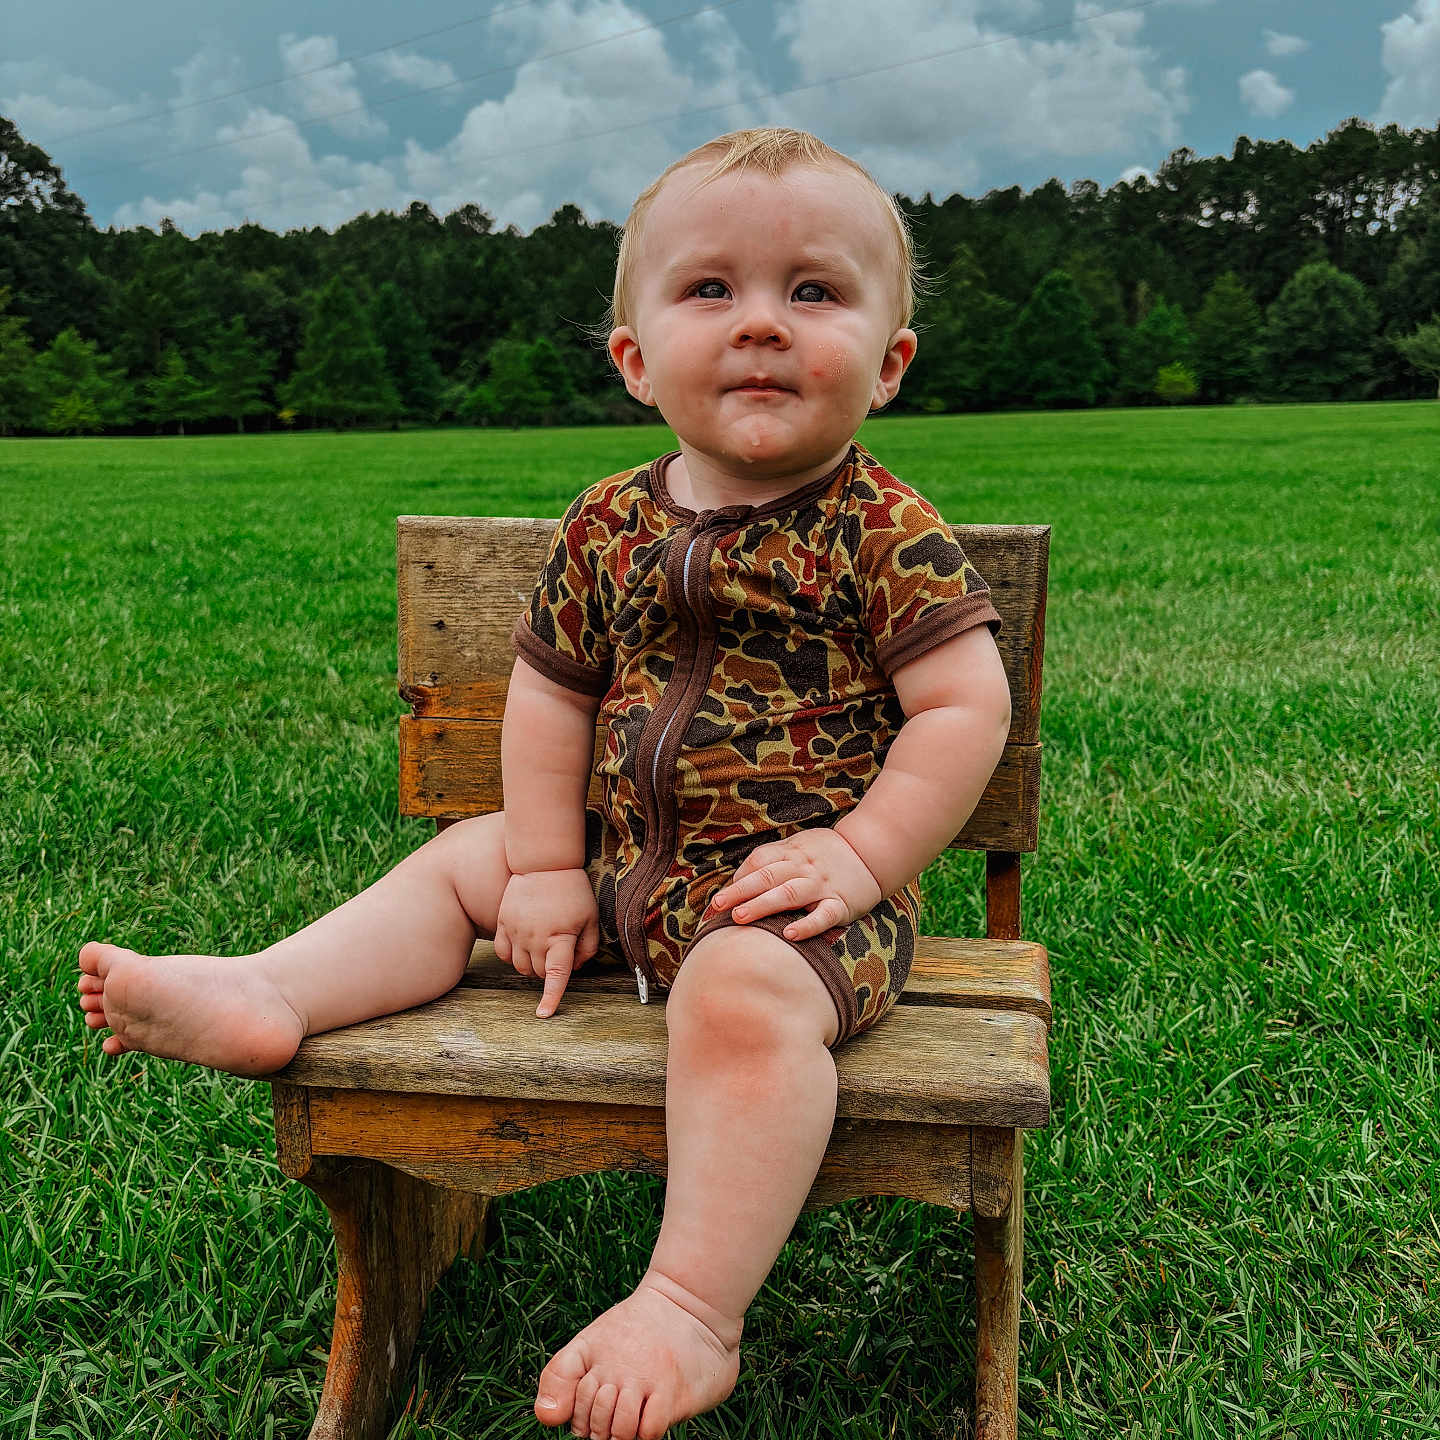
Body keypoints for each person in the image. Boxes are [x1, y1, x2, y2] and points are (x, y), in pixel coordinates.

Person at [76, 126, 1013, 1440]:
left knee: (742, 993)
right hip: (619, 871)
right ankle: (270, 991)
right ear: (635, 359)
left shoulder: (883, 530)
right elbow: (549, 694)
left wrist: (860, 859)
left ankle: (690, 1306)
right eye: (711, 291)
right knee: (463, 861)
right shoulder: (607, 526)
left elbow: (966, 708)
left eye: (813, 291)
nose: (760, 326)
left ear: (890, 360)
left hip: (799, 904)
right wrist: (542, 865)